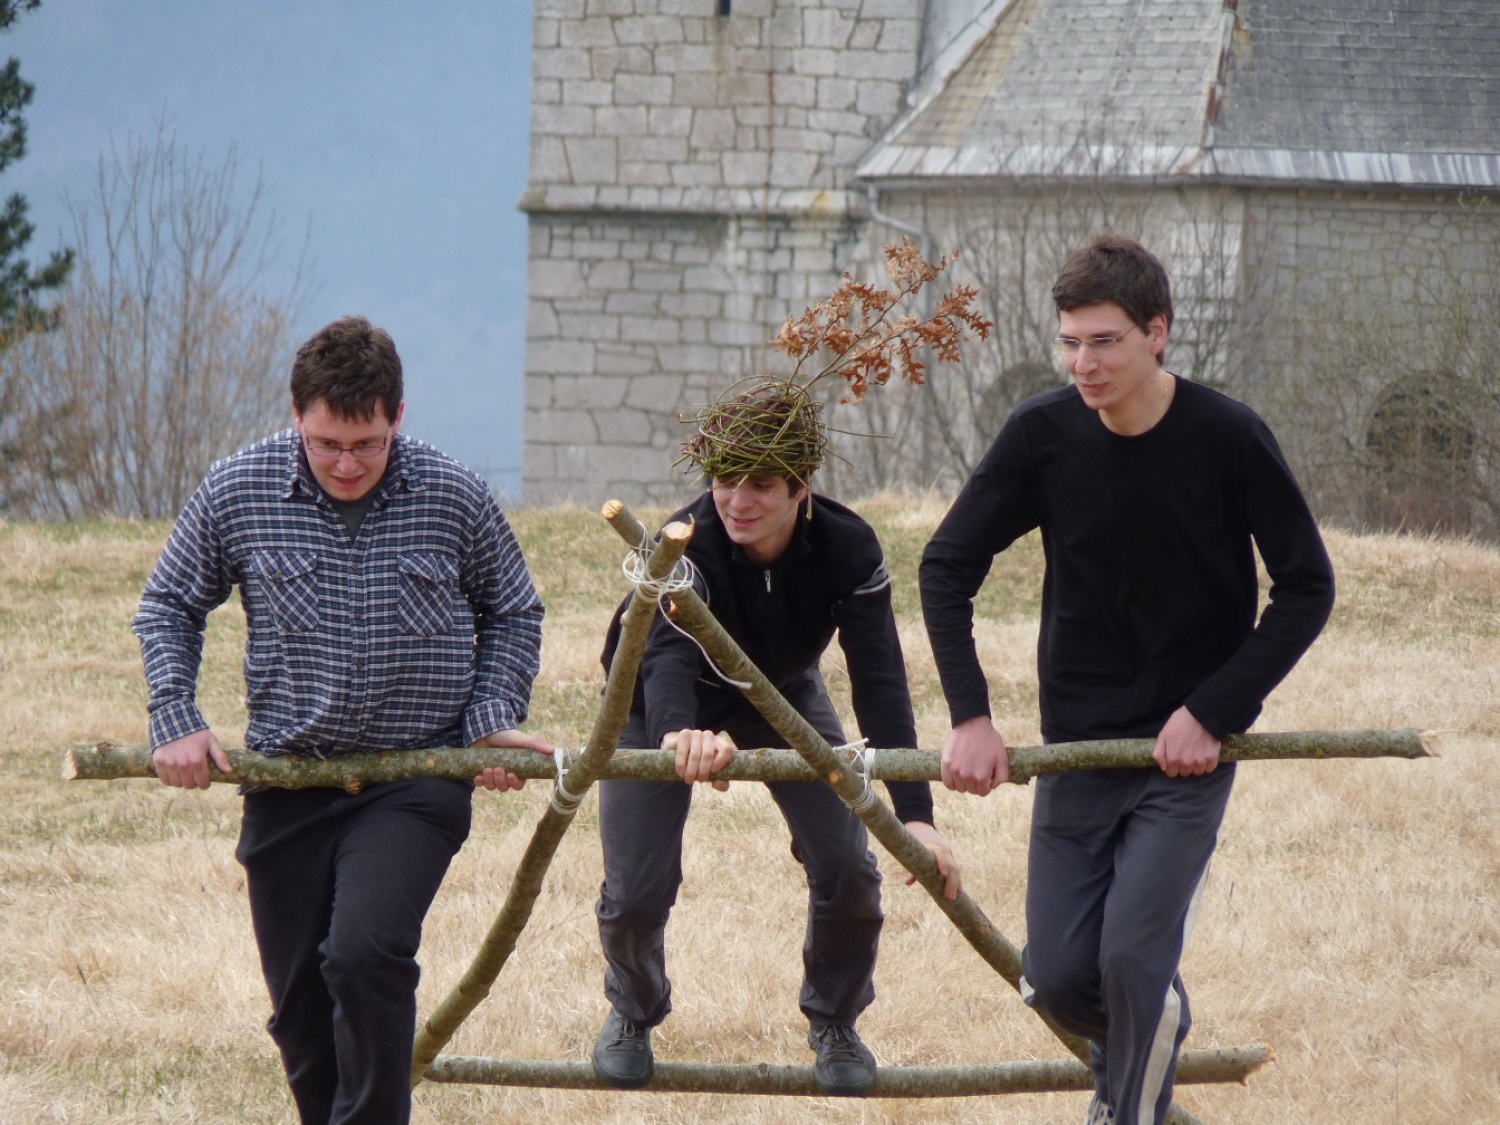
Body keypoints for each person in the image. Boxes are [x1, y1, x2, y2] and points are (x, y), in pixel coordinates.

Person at [919, 236, 1335, 1125]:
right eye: (1070, 343)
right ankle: (1150, 1028)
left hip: (1186, 759)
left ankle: (1127, 1108)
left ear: (1158, 333)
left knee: (1131, 963)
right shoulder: (1042, 435)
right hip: (1079, 748)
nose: (1083, 364)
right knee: (1059, 976)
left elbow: (1308, 586)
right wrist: (971, 715)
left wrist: (1212, 711)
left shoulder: (1228, 437)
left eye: (1104, 341)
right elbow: (946, 565)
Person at [132, 316, 549, 1125]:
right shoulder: (237, 488)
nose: (347, 464)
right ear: (296, 416)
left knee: (363, 954)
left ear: (398, 417)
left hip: (415, 778)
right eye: (326, 444)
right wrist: (175, 716)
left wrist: (491, 717)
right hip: (288, 780)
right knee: (300, 1011)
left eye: (367, 444)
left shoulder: (454, 493)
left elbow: (513, 609)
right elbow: (168, 605)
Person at [591, 381, 962, 1097]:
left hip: (780, 691)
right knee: (635, 889)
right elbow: (665, 656)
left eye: (760, 484)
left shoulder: (848, 546)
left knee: (849, 868)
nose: (737, 501)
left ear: (801, 487)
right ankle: (632, 1009)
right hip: (656, 704)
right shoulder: (685, 540)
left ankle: (836, 1019)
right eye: (724, 480)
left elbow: (880, 679)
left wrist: (916, 815)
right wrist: (676, 733)